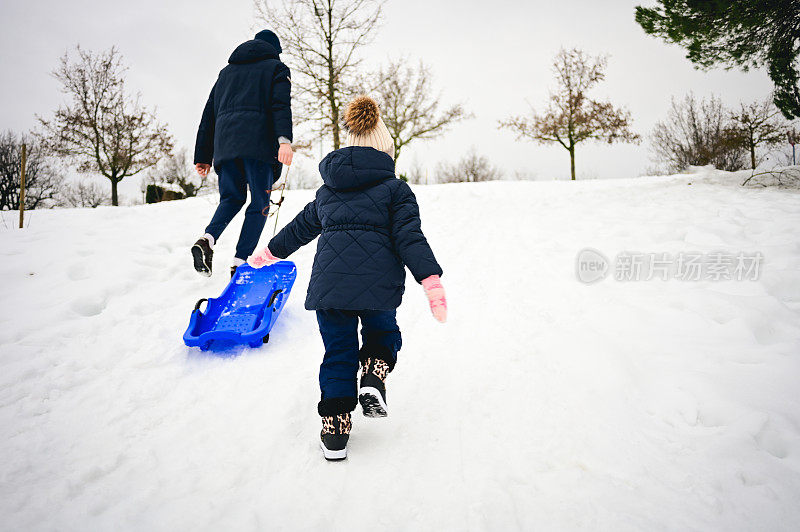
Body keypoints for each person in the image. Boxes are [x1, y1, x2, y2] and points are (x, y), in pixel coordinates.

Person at [247, 96, 447, 461]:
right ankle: (373, 373)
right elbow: (409, 238)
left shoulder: (328, 191)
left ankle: (335, 430)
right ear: (385, 151)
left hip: (330, 289)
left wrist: (268, 254)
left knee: (338, 352)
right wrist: (430, 280)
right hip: (378, 287)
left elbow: (299, 229)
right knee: (382, 335)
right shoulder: (396, 191)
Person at [191, 29, 294, 278]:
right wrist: (284, 141)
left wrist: (203, 155)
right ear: (275, 50)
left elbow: (209, 115)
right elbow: (280, 105)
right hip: (258, 148)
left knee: (231, 199)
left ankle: (208, 239)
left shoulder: (225, 74)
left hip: (225, 148)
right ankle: (240, 262)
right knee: (260, 203)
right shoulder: (276, 68)